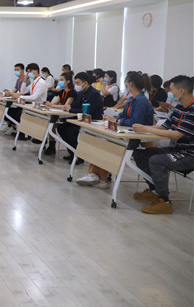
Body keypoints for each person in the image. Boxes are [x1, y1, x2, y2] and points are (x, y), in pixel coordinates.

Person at [77, 72, 154, 187]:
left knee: (107, 145)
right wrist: (112, 118)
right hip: (128, 133)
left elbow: (135, 122)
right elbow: (123, 116)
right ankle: (96, 175)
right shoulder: (132, 100)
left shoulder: (141, 101)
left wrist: (117, 121)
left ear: (131, 84)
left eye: (126, 83)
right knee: (103, 142)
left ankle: (99, 176)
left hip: (139, 137)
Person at [131, 75, 194, 214]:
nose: (169, 93)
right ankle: (154, 190)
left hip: (189, 155)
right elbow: (165, 126)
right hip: (176, 150)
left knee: (157, 160)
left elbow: (177, 134)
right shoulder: (179, 108)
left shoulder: (192, 110)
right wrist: (144, 128)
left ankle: (164, 201)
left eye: (171, 90)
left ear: (181, 91)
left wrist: (148, 129)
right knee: (140, 154)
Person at [56, 72, 104, 164]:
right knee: (61, 128)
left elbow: (88, 110)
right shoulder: (82, 93)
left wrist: (71, 109)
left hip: (92, 120)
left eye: (77, 83)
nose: (76, 85)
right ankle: (72, 152)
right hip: (80, 118)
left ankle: (78, 155)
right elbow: (75, 105)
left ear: (85, 83)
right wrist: (68, 107)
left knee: (71, 131)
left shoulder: (94, 94)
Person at [43, 72, 78, 155]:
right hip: (61, 114)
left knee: (53, 124)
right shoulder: (62, 92)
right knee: (51, 124)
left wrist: (51, 105)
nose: (60, 82)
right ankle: (52, 144)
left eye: (62, 80)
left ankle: (53, 145)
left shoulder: (72, 92)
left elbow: (65, 106)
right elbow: (55, 103)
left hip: (69, 116)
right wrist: (49, 104)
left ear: (68, 81)